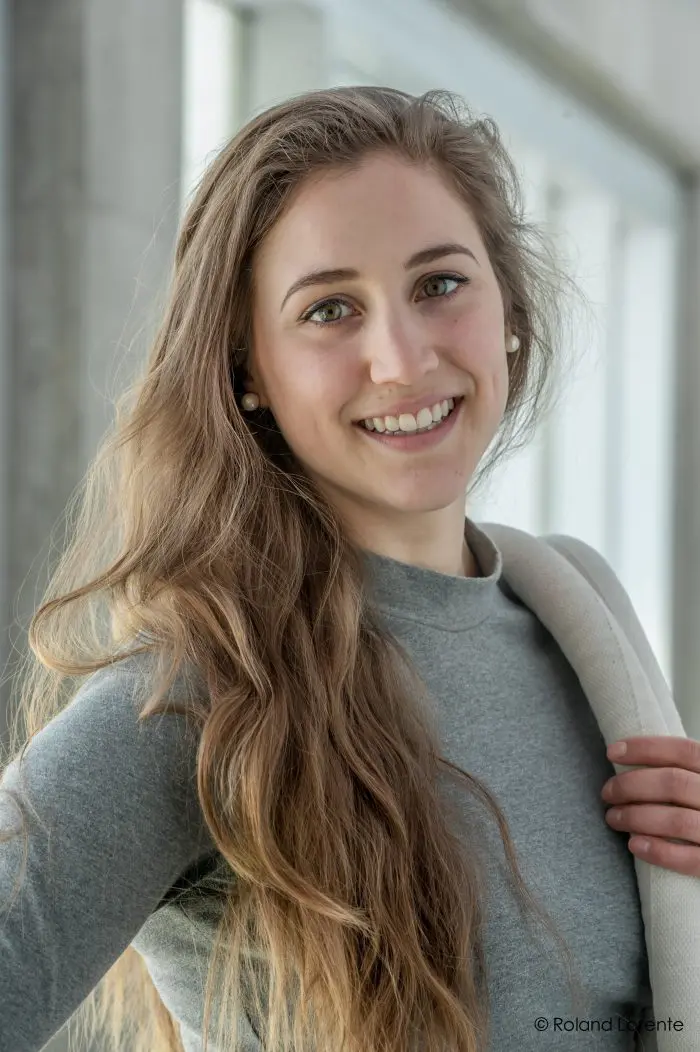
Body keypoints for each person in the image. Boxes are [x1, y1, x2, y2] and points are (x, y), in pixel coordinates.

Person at [0, 85, 689, 1052]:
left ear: (509, 308)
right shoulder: (197, 699)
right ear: (248, 371)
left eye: (440, 284)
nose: (402, 361)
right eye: (329, 309)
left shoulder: (585, 630)